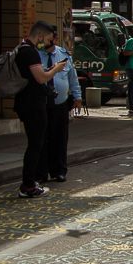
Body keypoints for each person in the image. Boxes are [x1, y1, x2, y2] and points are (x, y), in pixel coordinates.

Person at [14, 21, 68, 198]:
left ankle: (30, 182)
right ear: (39, 36)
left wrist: (50, 69)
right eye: (46, 40)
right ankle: (28, 185)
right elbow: (41, 78)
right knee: (36, 144)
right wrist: (56, 69)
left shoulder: (23, 49)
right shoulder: (29, 52)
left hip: (29, 102)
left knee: (36, 143)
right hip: (32, 104)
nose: (46, 44)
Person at [37, 28, 82, 184]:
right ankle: (41, 173)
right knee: (42, 139)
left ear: (55, 40)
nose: (44, 42)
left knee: (60, 138)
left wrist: (77, 97)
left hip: (60, 103)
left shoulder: (64, 55)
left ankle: (59, 171)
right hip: (42, 104)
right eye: (42, 38)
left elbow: (72, 77)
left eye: (48, 39)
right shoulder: (36, 55)